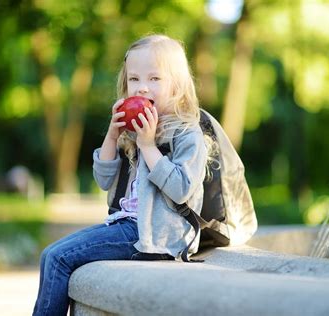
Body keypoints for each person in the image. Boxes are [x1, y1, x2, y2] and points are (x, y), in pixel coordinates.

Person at [32, 34, 212, 316]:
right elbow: (104, 181)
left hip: (156, 233)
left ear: (176, 84)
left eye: (155, 79)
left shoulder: (188, 134)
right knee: (50, 255)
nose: (142, 88)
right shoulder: (133, 129)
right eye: (135, 79)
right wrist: (112, 136)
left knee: (57, 258)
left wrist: (149, 146)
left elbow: (181, 189)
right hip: (126, 224)